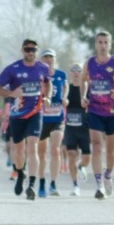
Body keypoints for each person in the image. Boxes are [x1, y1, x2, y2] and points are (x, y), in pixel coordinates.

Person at [0, 38, 54, 199]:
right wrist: (11, 94)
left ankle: (32, 185)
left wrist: (47, 97)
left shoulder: (43, 68)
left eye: (34, 50)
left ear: (37, 51)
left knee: (33, 147)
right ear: (22, 50)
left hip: (36, 113)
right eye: (28, 49)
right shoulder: (13, 69)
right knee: (19, 149)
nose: (31, 52)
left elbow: (48, 84)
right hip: (17, 114)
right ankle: (21, 173)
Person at [81, 31, 114, 198]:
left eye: (105, 42)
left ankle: (108, 174)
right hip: (94, 110)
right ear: (96, 44)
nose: (102, 45)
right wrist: (83, 96)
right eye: (100, 42)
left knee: (110, 151)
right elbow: (82, 81)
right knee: (96, 145)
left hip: (112, 112)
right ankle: (98, 184)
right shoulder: (89, 63)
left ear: (110, 45)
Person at [35, 57, 70, 198]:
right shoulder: (37, 75)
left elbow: (66, 86)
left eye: (51, 59)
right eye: (45, 59)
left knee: (55, 150)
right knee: (42, 153)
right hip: (41, 119)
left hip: (57, 118)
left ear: (55, 60)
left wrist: (65, 97)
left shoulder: (61, 75)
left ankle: (53, 184)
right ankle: (42, 182)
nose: (48, 61)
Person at [59, 62, 89, 196]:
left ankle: (81, 166)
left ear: (82, 72)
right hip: (70, 128)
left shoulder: (87, 87)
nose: (76, 72)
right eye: (73, 70)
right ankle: (75, 185)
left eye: (79, 70)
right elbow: (63, 100)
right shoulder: (67, 88)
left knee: (86, 157)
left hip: (85, 128)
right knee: (71, 155)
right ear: (70, 73)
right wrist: (64, 101)